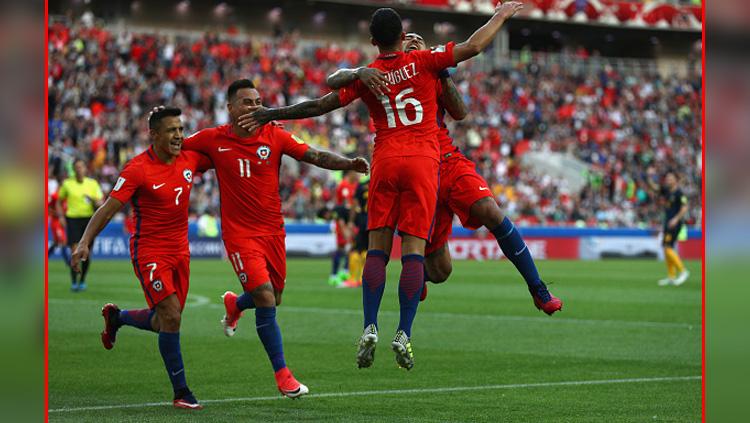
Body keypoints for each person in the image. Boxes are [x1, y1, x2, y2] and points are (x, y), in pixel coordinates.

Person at [238, 3, 525, 371]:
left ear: (373, 41)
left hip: (385, 160)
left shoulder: (368, 75)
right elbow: (472, 46)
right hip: (423, 161)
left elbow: (320, 104)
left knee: (376, 251)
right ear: (403, 36)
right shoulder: (424, 61)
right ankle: (403, 332)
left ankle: (369, 325)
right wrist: (501, 15)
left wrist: (271, 113)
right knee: (413, 252)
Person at [330, 32, 562, 313]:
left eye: (418, 40)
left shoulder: (429, 70)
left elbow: (460, 111)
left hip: (447, 160)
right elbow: (333, 90)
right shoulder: (382, 76)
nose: (413, 43)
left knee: (490, 209)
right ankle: (420, 277)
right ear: (398, 44)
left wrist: (439, 70)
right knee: (441, 270)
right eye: (408, 40)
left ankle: (538, 289)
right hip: (416, 169)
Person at [180, 79, 369, 398]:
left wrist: (348, 163)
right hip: (240, 235)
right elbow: (179, 150)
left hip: (273, 232)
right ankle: (284, 376)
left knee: (274, 296)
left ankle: (236, 304)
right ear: (230, 108)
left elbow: (315, 156)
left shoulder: (275, 135)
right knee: (267, 299)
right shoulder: (213, 139)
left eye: (257, 101)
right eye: (246, 102)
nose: (254, 107)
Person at [71, 107, 211, 410]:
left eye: (180, 129)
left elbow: (226, 152)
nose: (178, 136)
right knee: (172, 316)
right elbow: (109, 207)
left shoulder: (191, 157)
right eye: (171, 130)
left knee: (165, 322)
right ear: (154, 134)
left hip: (180, 253)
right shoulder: (138, 168)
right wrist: (85, 241)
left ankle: (117, 317)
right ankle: (181, 392)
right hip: (149, 252)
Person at [58, 158, 103, 291]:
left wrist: (95, 202)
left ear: (85, 169)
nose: (79, 169)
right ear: (73, 169)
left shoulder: (92, 184)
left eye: (81, 167)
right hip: (72, 219)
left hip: (89, 220)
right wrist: (61, 216)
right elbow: (59, 201)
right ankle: (73, 282)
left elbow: (100, 201)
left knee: (86, 253)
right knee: (75, 251)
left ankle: (82, 280)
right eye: (76, 167)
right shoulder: (67, 184)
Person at [648, 170, 690, 286]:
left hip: (675, 223)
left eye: (670, 178)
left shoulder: (679, 193)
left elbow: (685, 207)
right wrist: (649, 176)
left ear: (676, 180)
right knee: (666, 248)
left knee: (667, 247)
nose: (668, 180)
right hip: (668, 223)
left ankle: (683, 271)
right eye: (667, 178)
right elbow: (655, 188)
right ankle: (671, 276)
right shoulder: (667, 191)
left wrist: (676, 219)